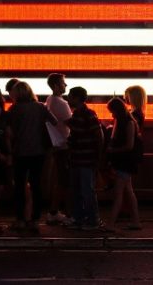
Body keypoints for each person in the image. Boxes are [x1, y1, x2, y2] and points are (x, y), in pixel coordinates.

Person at [8, 81, 58, 232]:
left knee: (19, 186)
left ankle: (21, 219)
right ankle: (35, 220)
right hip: (38, 152)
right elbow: (54, 122)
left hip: (20, 151)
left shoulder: (14, 109)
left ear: (16, 94)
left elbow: (10, 131)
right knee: (36, 185)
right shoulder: (40, 107)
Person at [65, 86, 103, 231]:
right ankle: (87, 219)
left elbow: (98, 137)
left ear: (76, 98)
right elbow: (98, 137)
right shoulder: (84, 114)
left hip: (83, 159)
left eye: (70, 96)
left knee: (84, 191)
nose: (68, 98)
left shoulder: (86, 114)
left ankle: (89, 219)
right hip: (83, 159)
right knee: (83, 190)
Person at [104, 97, 142, 232]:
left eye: (112, 111)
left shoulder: (127, 123)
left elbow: (129, 146)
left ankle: (111, 224)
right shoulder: (126, 122)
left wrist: (113, 150)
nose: (112, 114)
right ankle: (136, 221)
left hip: (125, 162)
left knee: (118, 193)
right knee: (128, 191)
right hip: (126, 162)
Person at [45, 73, 72, 226]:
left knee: (60, 180)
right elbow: (71, 123)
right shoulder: (61, 103)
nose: (65, 85)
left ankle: (54, 211)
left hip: (56, 145)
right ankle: (69, 214)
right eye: (63, 83)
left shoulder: (49, 100)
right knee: (66, 181)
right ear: (56, 86)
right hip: (65, 146)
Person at [0, 85, 11, 236]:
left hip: (1, 157)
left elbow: (8, 137)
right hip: (0, 157)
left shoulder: (4, 116)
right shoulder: (4, 116)